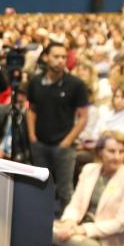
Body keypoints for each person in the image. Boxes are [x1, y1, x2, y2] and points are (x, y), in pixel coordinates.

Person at [28, 42, 90, 214]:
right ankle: (38, 218)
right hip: (40, 143)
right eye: (56, 56)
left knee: (65, 189)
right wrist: (32, 136)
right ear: (46, 57)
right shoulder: (35, 81)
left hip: (64, 146)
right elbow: (31, 110)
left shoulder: (76, 84)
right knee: (40, 186)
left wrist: (67, 141)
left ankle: (66, 221)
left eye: (64, 57)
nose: (61, 60)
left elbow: (83, 117)